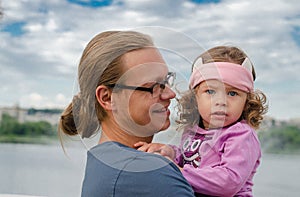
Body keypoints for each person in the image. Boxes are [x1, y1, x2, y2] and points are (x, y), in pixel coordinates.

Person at [59, 30, 195, 196]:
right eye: (154, 86)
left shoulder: (103, 160)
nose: (170, 94)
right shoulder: (150, 173)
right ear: (107, 98)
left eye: (166, 81)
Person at [135, 46, 268, 196]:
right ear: (195, 97)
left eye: (232, 93)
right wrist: (171, 152)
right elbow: (190, 158)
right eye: (210, 91)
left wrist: (177, 172)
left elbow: (228, 182)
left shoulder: (241, 136)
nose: (221, 101)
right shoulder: (193, 130)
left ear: (246, 101)